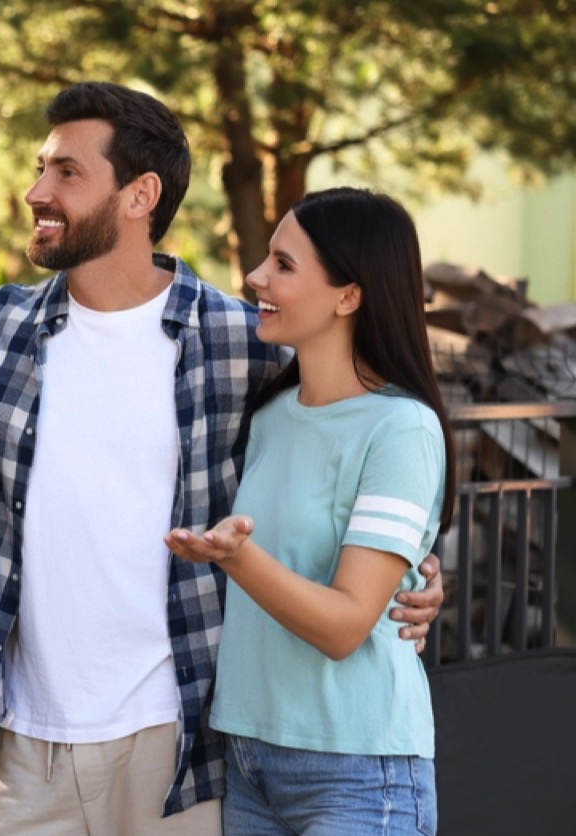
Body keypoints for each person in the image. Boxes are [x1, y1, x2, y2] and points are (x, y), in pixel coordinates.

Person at [0, 83, 445, 835]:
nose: (36, 191)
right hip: (27, 737)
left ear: (141, 194)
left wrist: (415, 573)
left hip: (179, 737)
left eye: (67, 173)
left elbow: (363, 448)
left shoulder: (241, 342)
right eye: (42, 168)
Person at [165, 188, 452, 834]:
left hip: (356, 768)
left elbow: (347, 625)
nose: (256, 278)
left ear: (348, 296)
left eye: (284, 265)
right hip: (248, 760)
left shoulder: (402, 429)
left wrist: (237, 559)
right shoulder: (271, 417)